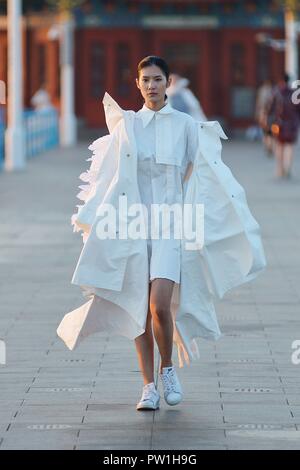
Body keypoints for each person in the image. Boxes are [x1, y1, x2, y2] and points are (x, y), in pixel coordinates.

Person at [56, 56, 266, 412]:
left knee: (159, 305)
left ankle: (168, 369)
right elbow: (110, 174)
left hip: (171, 225)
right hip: (136, 224)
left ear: (168, 82)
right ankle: (148, 386)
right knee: (138, 304)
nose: (151, 85)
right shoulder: (129, 125)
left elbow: (201, 172)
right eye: (145, 80)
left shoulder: (186, 125)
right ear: (137, 84)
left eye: (157, 79)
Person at [267, 74, 300, 178]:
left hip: (279, 124)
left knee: (279, 146)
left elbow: (270, 108)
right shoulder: (294, 93)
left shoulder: (276, 92)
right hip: (292, 125)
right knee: (289, 147)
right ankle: (288, 168)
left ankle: (280, 169)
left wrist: (268, 120)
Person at [255, 79, 274, 156]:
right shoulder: (273, 92)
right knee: (270, 132)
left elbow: (258, 103)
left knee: (264, 132)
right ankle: (270, 146)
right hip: (271, 115)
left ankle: (266, 145)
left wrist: (257, 114)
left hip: (262, 113)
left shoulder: (261, 91)